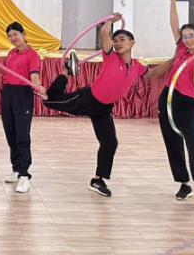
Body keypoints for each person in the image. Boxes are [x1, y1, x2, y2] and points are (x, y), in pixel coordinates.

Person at [43, 14, 147, 197]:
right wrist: (111, 19)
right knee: (50, 100)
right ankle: (65, 73)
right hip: (89, 99)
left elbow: (153, 74)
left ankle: (98, 180)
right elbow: (105, 33)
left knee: (110, 142)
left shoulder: (137, 66)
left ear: (132, 43)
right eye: (115, 40)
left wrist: (173, 61)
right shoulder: (111, 57)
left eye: (122, 39)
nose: (117, 43)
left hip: (103, 108)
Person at [153, 0, 194, 210]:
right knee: (172, 143)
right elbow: (174, 25)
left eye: (191, 36)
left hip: (187, 104)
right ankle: (183, 183)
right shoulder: (181, 49)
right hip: (168, 99)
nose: (187, 39)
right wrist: (172, 2)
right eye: (185, 36)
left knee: (193, 143)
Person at [0, 22, 46, 194]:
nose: (13, 38)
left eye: (15, 35)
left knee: (22, 135)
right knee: (10, 133)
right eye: (10, 36)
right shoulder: (11, 53)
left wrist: (38, 86)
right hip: (8, 93)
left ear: (23, 34)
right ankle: (16, 169)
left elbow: (34, 76)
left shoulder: (32, 54)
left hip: (23, 95)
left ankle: (25, 175)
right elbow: (10, 73)